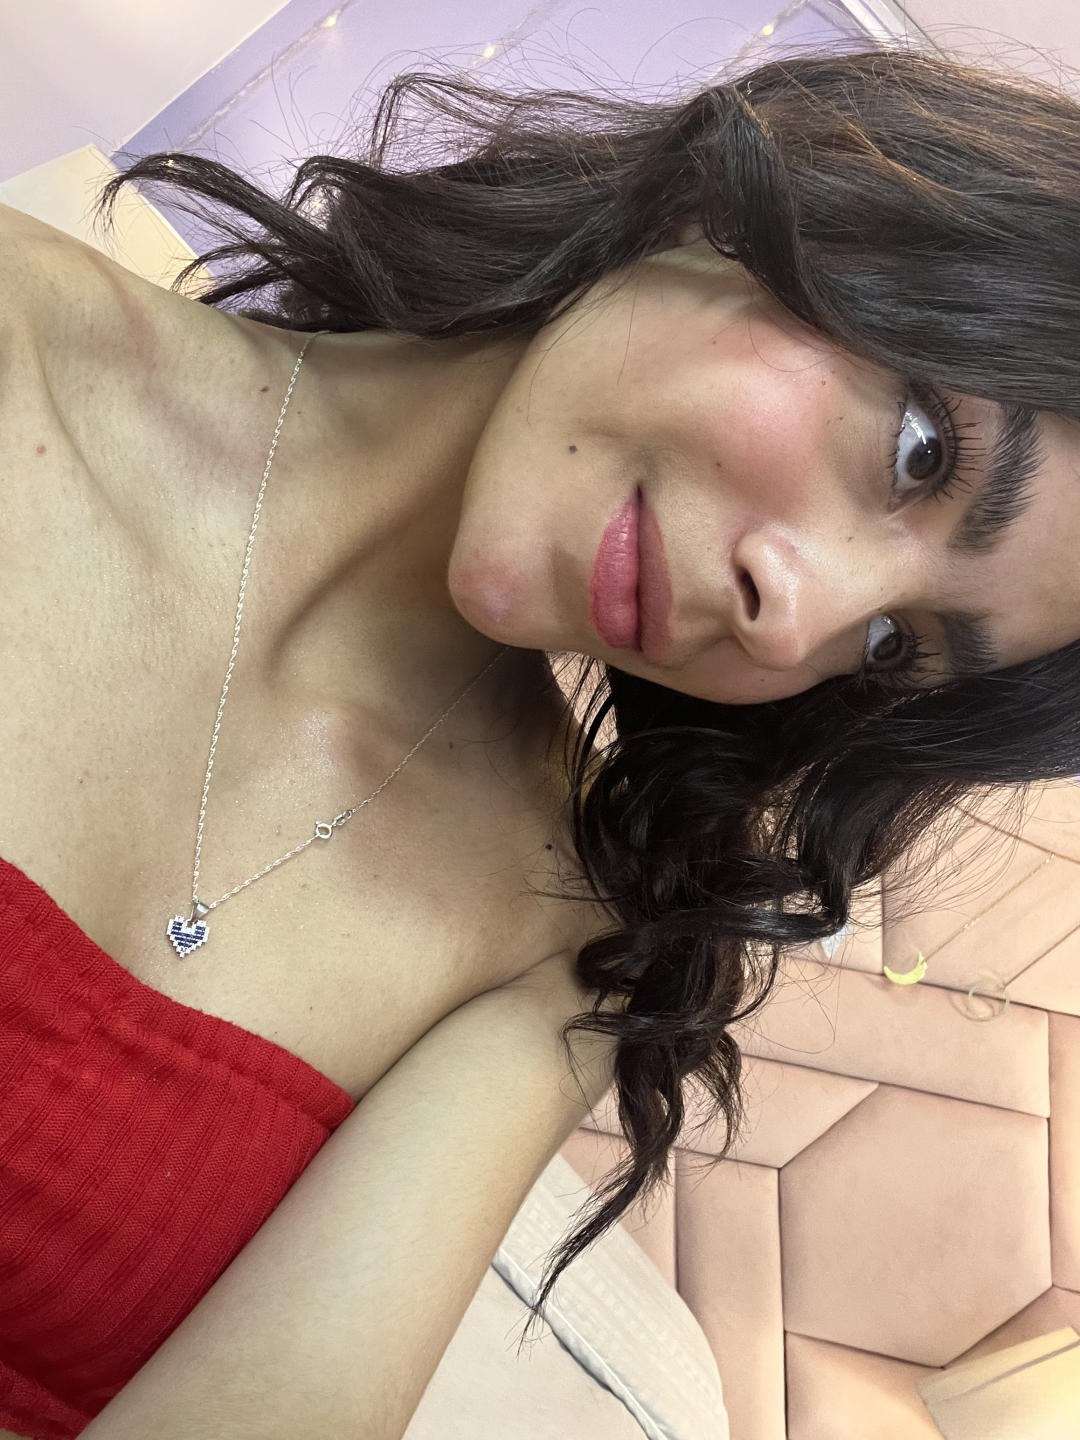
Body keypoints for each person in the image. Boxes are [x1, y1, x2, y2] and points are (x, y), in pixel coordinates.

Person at [1, 37, 1078, 1440]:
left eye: (893, 646)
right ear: (787, 204)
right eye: (922, 452)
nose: (796, 617)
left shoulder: (568, 945)